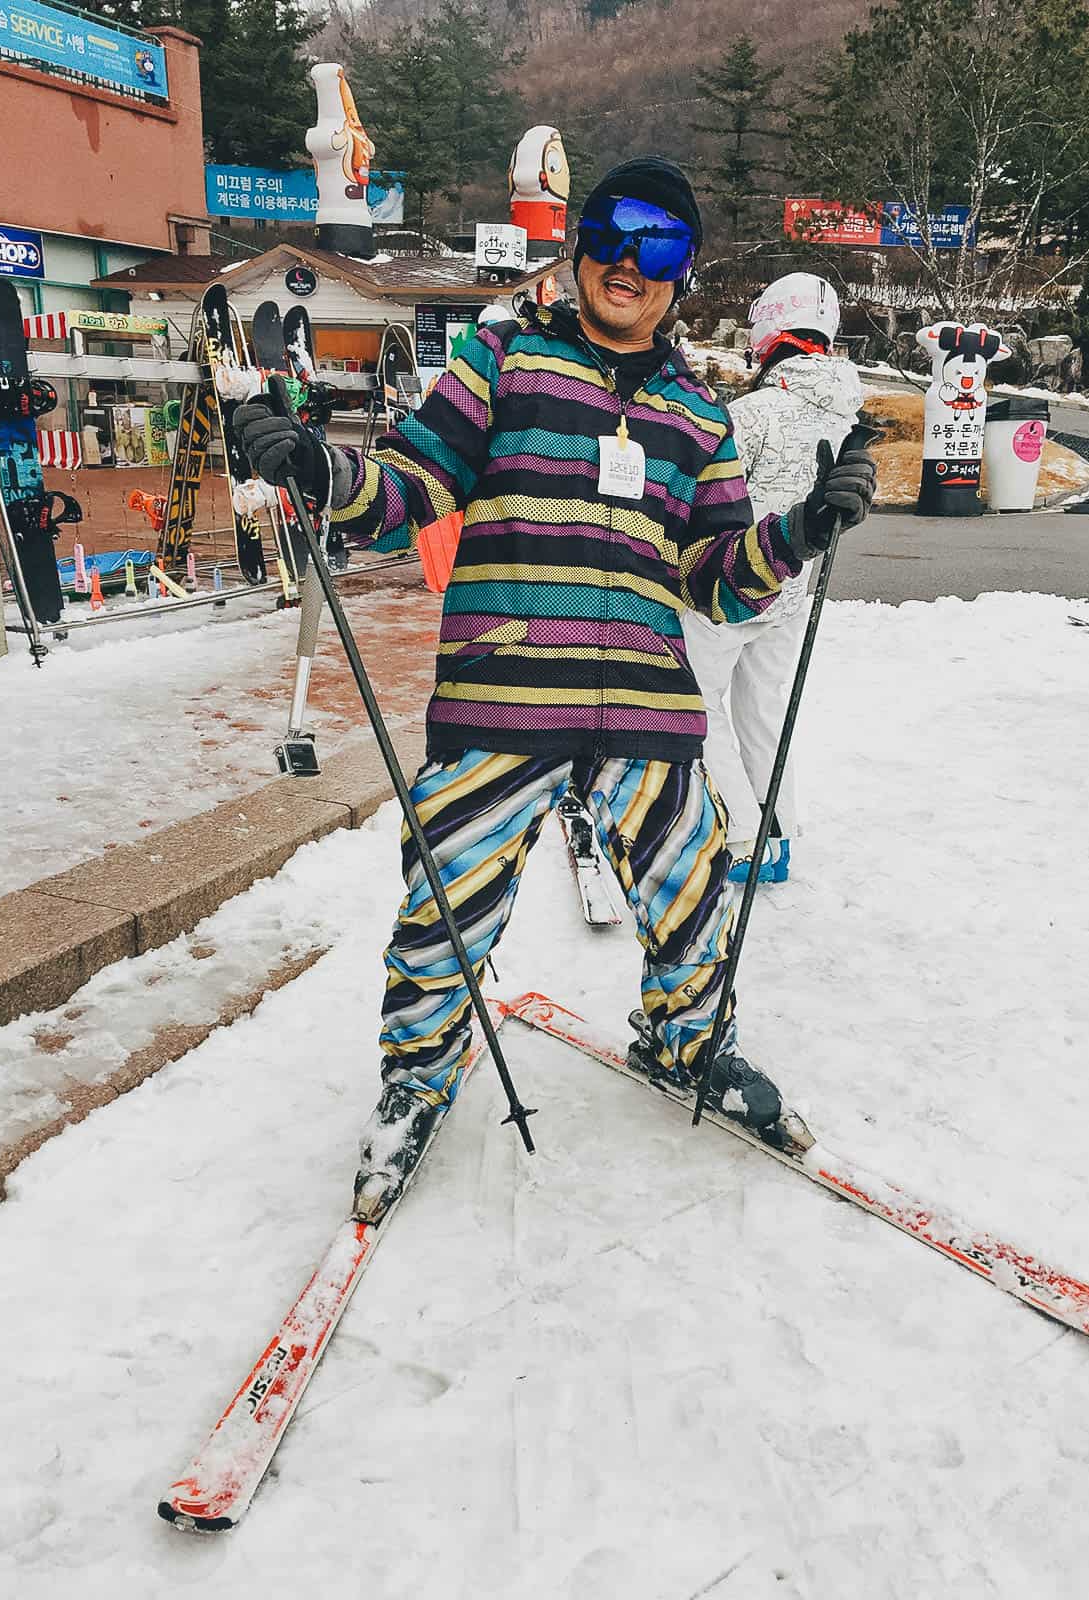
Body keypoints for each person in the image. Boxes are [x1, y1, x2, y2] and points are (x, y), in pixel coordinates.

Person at [234, 159, 876, 1212]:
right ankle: (416, 1080)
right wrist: (317, 468)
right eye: (616, 233)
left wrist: (800, 531)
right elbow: (408, 491)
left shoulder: (697, 415)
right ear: (580, 242)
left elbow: (716, 578)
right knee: (448, 905)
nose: (631, 262)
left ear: (685, 274)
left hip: (648, 709)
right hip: (503, 694)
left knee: (693, 895)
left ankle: (688, 1043)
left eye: (661, 244)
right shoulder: (502, 360)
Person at [683, 274, 863, 885]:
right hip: (795, 588)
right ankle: (777, 832)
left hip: (732, 585)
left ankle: (738, 834)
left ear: (768, 331)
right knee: (763, 708)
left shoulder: (750, 414)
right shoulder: (844, 416)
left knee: (697, 702)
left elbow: (701, 495)